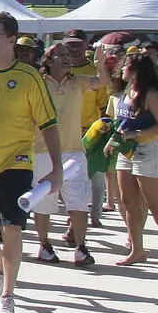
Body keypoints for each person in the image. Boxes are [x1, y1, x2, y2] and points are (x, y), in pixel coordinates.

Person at [0, 11, 66, 313]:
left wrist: (57, 168)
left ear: (10, 40)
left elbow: (48, 124)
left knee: (11, 225)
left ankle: (8, 294)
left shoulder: (30, 77)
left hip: (16, 162)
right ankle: (0, 267)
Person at [106, 49, 158, 271]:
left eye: (125, 65)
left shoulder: (150, 94)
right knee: (128, 202)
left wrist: (136, 135)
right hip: (125, 152)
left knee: (153, 203)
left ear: (137, 69)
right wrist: (113, 141)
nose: (121, 69)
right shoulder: (127, 91)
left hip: (147, 150)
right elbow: (119, 122)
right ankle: (137, 250)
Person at [30, 42, 98, 267]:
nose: (67, 58)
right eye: (60, 55)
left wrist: (100, 61)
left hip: (74, 153)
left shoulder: (78, 81)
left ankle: (81, 247)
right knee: (43, 203)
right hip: (42, 153)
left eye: (68, 55)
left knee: (79, 203)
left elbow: (104, 81)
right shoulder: (37, 83)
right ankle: (44, 245)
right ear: (47, 61)